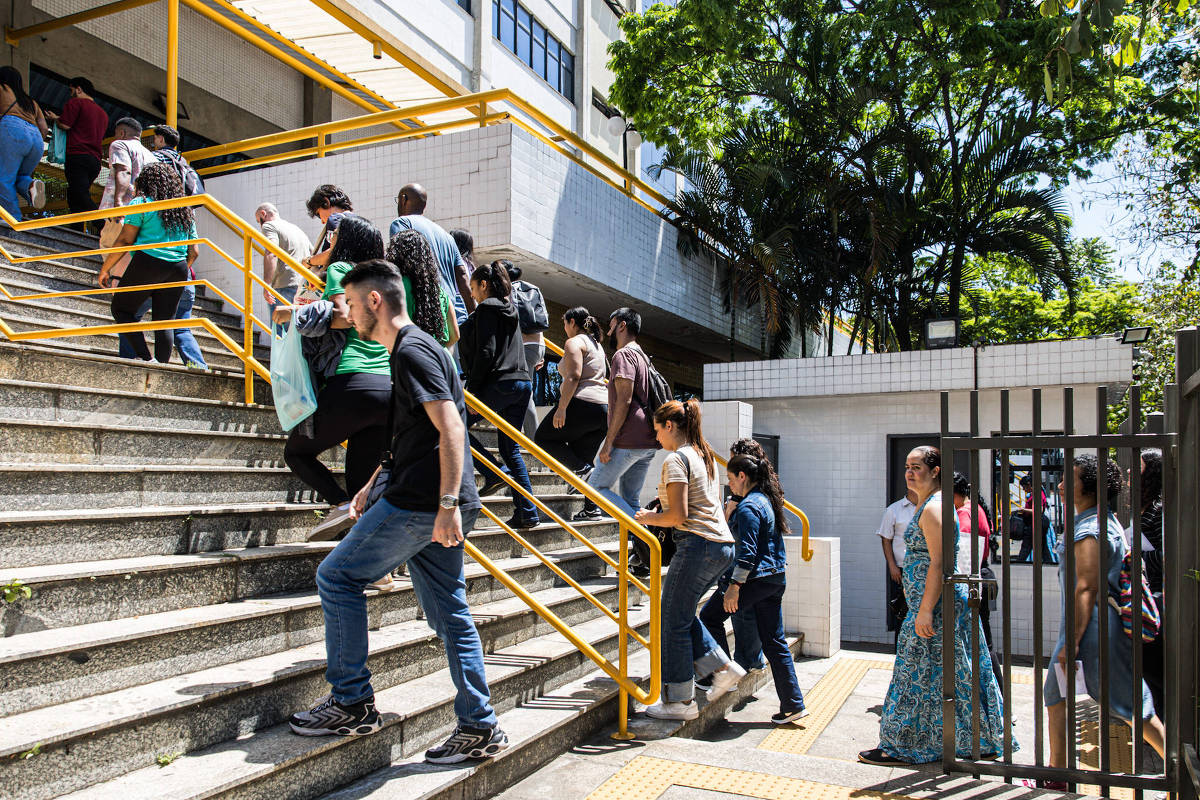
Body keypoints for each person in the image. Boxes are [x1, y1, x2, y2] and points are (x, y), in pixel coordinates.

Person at [290, 259, 509, 764]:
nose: (342, 313)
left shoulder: (411, 352)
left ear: (374, 301)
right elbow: (413, 431)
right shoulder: (415, 348)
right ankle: (479, 727)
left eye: (347, 303)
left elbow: (452, 428)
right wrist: (370, 482)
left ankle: (351, 701)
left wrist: (448, 505)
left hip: (423, 503)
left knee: (337, 577)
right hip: (426, 498)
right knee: (451, 614)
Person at [859, 446, 1009, 765]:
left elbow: (940, 563)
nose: (910, 473)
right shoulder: (930, 504)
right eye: (907, 467)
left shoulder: (935, 508)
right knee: (952, 675)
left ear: (936, 471)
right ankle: (974, 740)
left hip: (935, 611)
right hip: (936, 609)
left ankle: (898, 746)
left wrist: (925, 609)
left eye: (917, 467)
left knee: (912, 676)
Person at [1024, 453, 1165, 791]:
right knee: (1056, 696)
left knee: (1132, 706)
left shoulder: (1091, 530)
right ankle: (1058, 775)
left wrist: (1070, 644)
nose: (1059, 485)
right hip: (1085, 627)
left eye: (1067, 480)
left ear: (1087, 487)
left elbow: (1086, 588)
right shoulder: (1098, 520)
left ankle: (1181, 770)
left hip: (1093, 631)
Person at [279, 216, 391, 541]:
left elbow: (343, 316)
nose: (330, 243)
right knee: (362, 487)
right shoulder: (386, 280)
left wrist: (296, 314)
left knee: (296, 453)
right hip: (388, 388)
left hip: (353, 380)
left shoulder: (343, 270)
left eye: (335, 237)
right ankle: (376, 571)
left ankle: (340, 504)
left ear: (347, 242)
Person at [633, 399, 742, 720]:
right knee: (678, 614)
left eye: (657, 430)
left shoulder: (677, 459)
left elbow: (678, 514)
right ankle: (722, 668)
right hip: (719, 545)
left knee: (671, 620)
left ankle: (680, 701)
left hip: (699, 545)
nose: (656, 439)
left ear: (670, 426)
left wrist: (647, 518)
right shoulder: (701, 453)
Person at [698, 452, 808, 725]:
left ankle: (724, 673)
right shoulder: (766, 502)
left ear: (742, 476)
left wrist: (734, 585)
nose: (730, 484)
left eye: (731, 478)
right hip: (774, 579)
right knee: (774, 641)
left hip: (752, 580)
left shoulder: (748, 508)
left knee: (709, 617)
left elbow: (746, 553)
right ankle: (793, 703)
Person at [458, 261, 540, 529]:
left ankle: (493, 473)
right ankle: (527, 511)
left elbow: (486, 352)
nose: (472, 294)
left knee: (456, 429)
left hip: (500, 383)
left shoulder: (486, 309)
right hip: (522, 384)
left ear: (484, 284)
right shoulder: (511, 309)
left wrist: (473, 390)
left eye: (473, 288)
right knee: (509, 448)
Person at [96, 163, 198, 364]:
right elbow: (194, 251)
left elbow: (125, 239)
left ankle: (145, 358)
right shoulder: (185, 211)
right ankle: (162, 366)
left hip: (148, 262)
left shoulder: (142, 203)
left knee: (121, 310)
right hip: (178, 266)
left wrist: (105, 268)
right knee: (165, 322)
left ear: (145, 182)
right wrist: (179, 267)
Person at [574, 307, 659, 522]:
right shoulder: (642, 356)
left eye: (611, 326)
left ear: (622, 325)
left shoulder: (623, 355)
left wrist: (608, 442)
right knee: (630, 500)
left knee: (595, 487)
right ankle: (642, 550)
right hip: (648, 440)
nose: (609, 332)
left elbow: (625, 400)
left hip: (628, 438)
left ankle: (646, 537)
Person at [533, 306, 607, 487]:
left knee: (542, 438)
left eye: (565, 323)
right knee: (584, 461)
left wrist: (562, 407)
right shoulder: (596, 344)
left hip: (582, 403)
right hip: (603, 411)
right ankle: (592, 509)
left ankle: (585, 472)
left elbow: (574, 376)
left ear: (572, 322)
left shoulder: (574, 342)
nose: (565, 328)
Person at [389, 183, 472, 322]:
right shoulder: (447, 236)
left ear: (403, 199)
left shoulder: (402, 223)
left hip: (423, 311)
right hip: (451, 316)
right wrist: (472, 313)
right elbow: (462, 276)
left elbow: (399, 264)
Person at [953, 472, 1003, 691]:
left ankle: (994, 698)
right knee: (983, 642)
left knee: (980, 643)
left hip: (973, 582)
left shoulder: (964, 516)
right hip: (982, 576)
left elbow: (962, 557)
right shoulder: (976, 509)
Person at [44, 76, 108, 225]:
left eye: (71, 90)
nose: (70, 93)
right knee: (75, 195)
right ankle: (77, 230)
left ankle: (103, 226)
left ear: (78, 89)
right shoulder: (102, 114)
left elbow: (65, 125)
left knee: (79, 194)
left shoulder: (75, 103)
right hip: (95, 161)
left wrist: (55, 119)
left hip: (77, 156)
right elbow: (82, 126)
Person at [386, 229, 459, 349]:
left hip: (410, 356)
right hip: (441, 358)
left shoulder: (396, 286)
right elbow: (455, 335)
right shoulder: (438, 291)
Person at [1135, 448, 1165, 716]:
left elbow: (1167, 555)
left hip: (1157, 596)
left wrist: (1138, 555)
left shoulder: (1158, 510)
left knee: (1154, 670)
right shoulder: (1147, 507)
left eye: (1139, 467)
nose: (1133, 471)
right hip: (1147, 594)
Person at [503, 262, 548, 437]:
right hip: (538, 346)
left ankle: (533, 440)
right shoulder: (531, 288)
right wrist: (539, 352)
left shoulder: (507, 292)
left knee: (525, 394)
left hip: (523, 346)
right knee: (520, 390)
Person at [255, 203, 313, 334]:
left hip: (284, 285)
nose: (260, 225)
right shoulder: (296, 229)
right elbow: (312, 253)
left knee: (281, 335)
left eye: (259, 220)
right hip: (303, 285)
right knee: (297, 333)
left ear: (263, 214)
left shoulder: (269, 226)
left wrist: (266, 285)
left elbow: (271, 252)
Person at [0, 66, 48, 222]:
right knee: (18, 176)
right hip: (36, 139)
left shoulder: (2, 89)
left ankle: (12, 219)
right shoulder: (30, 102)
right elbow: (44, 128)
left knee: (3, 179)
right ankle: (30, 185)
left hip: (13, 131)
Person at [877, 488, 918, 649]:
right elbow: (886, 539)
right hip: (901, 571)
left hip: (923, 570)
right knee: (902, 615)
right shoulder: (894, 510)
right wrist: (892, 566)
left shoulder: (928, 507)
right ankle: (899, 654)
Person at [304, 184, 353, 271]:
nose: (322, 221)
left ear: (326, 202)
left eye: (319, 214)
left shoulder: (335, 219)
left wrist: (309, 261)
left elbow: (333, 253)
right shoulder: (362, 223)